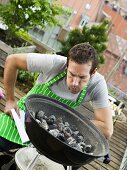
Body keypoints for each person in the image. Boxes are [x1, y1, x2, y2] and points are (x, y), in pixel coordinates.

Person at [0, 43, 113, 170]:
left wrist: (64, 122)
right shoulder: (54, 63)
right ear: (67, 66)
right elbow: (12, 60)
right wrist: (10, 99)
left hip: (53, 139)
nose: (75, 83)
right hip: (23, 119)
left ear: (93, 72)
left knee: (71, 163)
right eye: (71, 74)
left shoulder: (97, 84)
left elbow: (107, 130)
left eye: (82, 77)